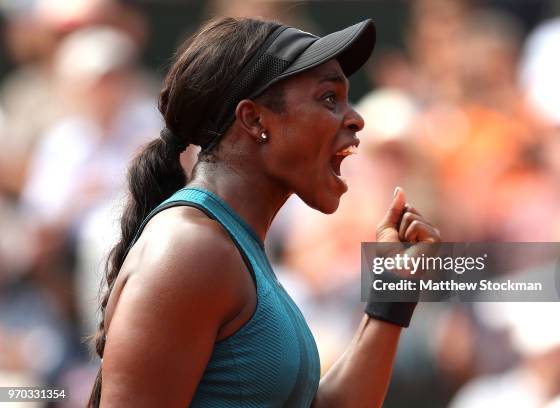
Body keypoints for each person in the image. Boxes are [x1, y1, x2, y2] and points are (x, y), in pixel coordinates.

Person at [88, 16, 441, 407]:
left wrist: (392, 293)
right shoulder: (191, 250)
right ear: (254, 119)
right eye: (329, 98)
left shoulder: (228, 246)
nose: (356, 118)